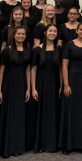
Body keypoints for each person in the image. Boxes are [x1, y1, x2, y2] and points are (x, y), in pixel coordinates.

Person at [59, 22, 82, 154]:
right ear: (76, 30)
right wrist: (66, 84)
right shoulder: (69, 44)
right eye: (81, 29)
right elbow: (64, 66)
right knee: (70, 111)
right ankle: (68, 145)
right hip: (72, 81)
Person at [0, 25, 31, 158]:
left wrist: (28, 88)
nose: (21, 36)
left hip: (21, 86)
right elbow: (0, 71)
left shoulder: (28, 50)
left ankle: (17, 146)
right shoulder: (6, 51)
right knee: (8, 115)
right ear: (13, 36)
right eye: (18, 34)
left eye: (23, 34)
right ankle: (7, 146)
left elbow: (28, 71)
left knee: (18, 116)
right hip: (8, 86)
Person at [31, 24, 61, 153]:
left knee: (53, 113)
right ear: (45, 32)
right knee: (41, 113)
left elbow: (60, 69)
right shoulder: (37, 49)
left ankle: (53, 144)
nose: (52, 33)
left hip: (54, 84)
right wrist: (33, 88)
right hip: (40, 84)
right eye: (50, 31)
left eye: (54, 31)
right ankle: (41, 144)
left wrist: (62, 85)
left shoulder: (59, 49)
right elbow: (33, 69)